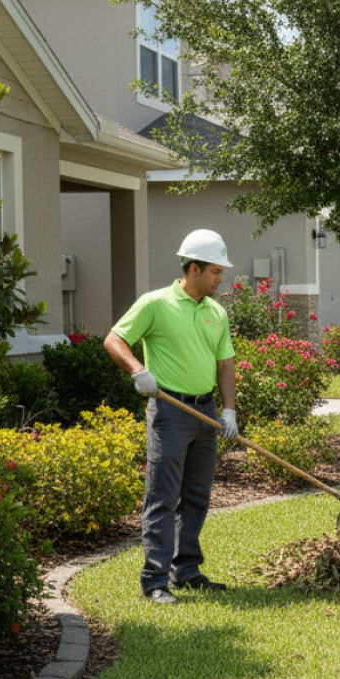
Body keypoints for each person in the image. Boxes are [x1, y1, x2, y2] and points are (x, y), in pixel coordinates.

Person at [104, 229, 238, 603]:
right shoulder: (155, 304)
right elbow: (114, 340)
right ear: (194, 268)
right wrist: (137, 370)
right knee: (162, 497)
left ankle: (188, 571)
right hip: (170, 411)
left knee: (197, 496)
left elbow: (225, 364)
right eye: (215, 271)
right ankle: (155, 580)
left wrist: (228, 409)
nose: (220, 279)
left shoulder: (216, 312)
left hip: (206, 412)